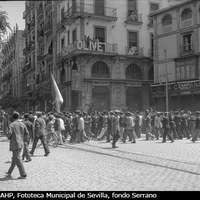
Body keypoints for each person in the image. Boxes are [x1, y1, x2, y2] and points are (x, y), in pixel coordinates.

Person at [5, 112, 28, 179]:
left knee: (17, 158)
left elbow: (9, 133)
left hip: (15, 143)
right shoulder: (22, 124)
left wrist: (8, 137)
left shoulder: (12, 124)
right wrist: (24, 139)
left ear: (13, 117)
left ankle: (23, 174)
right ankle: (9, 172)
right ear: (18, 117)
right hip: (21, 142)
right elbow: (27, 133)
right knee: (14, 158)